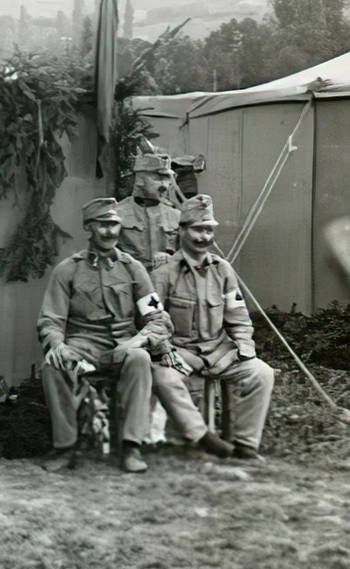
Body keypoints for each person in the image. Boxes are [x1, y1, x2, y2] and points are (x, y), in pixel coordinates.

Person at [36, 197, 172, 472]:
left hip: (123, 345)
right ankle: (65, 447)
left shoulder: (133, 269)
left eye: (114, 225)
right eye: (103, 225)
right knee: (53, 364)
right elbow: (51, 319)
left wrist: (137, 342)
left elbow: (157, 318)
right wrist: (58, 346)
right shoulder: (68, 270)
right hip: (82, 345)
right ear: (89, 228)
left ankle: (131, 448)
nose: (110, 231)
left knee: (140, 360)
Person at [149, 195, 274, 461]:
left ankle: (245, 446)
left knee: (261, 373)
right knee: (163, 378)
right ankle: (204, 439)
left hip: (219, 351)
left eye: (208, 230)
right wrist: (164, 349)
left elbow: (238, 316)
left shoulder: (223, 270)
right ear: (181, 230)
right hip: (182, 353)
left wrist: (244, 349)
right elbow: (153, 320)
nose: (204, 237)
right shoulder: (163, 274)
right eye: (197, 229)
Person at [116, 152, 180, 268]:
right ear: (140, 179)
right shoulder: (118, 214)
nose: (164, 185)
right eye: (157, 178)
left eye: (166, 178)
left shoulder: (176, 216)